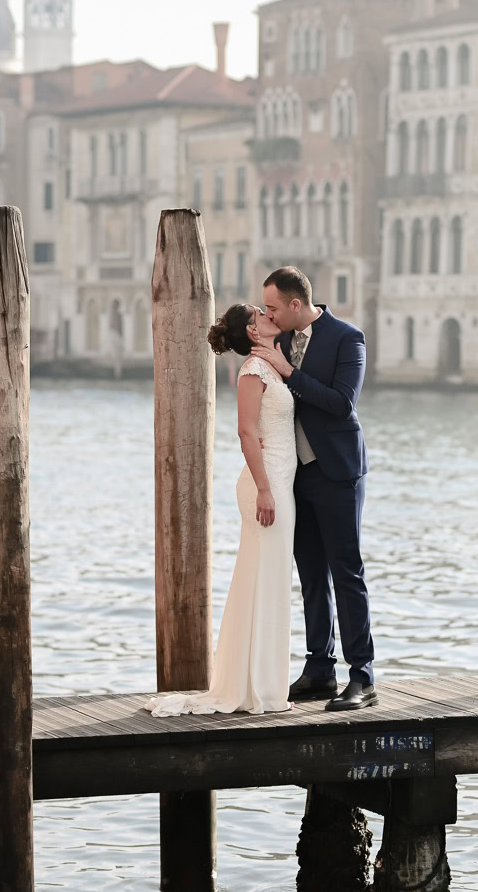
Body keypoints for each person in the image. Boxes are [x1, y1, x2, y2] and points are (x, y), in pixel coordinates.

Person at [149, 303, 295, 717]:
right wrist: (264, 489)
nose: (269, 315)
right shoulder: (252, 372)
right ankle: (256, 689)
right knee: (262, 577)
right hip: (267, 488)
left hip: (282, 482)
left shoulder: (270, 363)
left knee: (271, 579)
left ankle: (264, 685)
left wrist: (283, 365)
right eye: (260, 314)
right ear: (252, 330)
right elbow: (246, 431)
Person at [252, 267, 378, 712]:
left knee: (347, 573)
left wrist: (285, 369)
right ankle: (319, 669)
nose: (267, 312)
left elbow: (342, 403)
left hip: (338, 471)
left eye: (272, 306)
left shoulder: (348, 338)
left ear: (295, 304)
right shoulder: (277, 340)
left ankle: (362, 676)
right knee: (310, 578)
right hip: (295, 475)